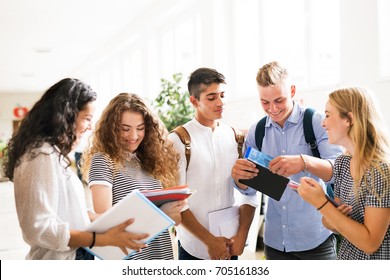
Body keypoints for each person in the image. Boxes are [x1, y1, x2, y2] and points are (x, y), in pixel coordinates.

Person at [3, 78, 149, 260]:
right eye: (87, 119)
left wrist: (108, 222)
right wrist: (99, 239)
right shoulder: (42, 155)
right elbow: (38, 228)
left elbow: (65, 211)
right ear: (67, 116)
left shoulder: (53, 154)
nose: (89, 127)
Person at [232, 61, 344, 260]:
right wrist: (240, 178)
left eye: (279, 100)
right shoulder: (256, 133)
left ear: (292, 90)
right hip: (275, 242)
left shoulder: (317, 122)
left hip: (316, 238)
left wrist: (304, 162)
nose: (273, 109)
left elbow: (339, 170)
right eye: (265, 102)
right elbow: (248, 190)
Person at [82, 92, 186, 260]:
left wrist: (172, 213)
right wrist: (161, 214)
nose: (133, 136)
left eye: (140, 128)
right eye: (125, 129)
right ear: (112, 129)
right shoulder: (103, 160)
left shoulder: (151, 160)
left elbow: (173, 221)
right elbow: (106, 222)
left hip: (161, 255)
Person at [168, 67, 258, 260]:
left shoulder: (237, 138)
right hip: (194, 249)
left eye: (222, 95)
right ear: (194, 101)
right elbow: (176, 202)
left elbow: (249, 194)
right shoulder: (178, 140)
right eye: (211, 97)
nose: (220, 103)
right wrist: (209, 241)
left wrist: (242, 235)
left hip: (230, 245)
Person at [298, 87, 390, 259]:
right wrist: (326, 207)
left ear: (349, 119)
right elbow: (331, 222)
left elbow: (370, 243)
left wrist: (321, 203)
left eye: (327, 115)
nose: (323, 123)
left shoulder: (381, 170)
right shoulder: (342, 163)